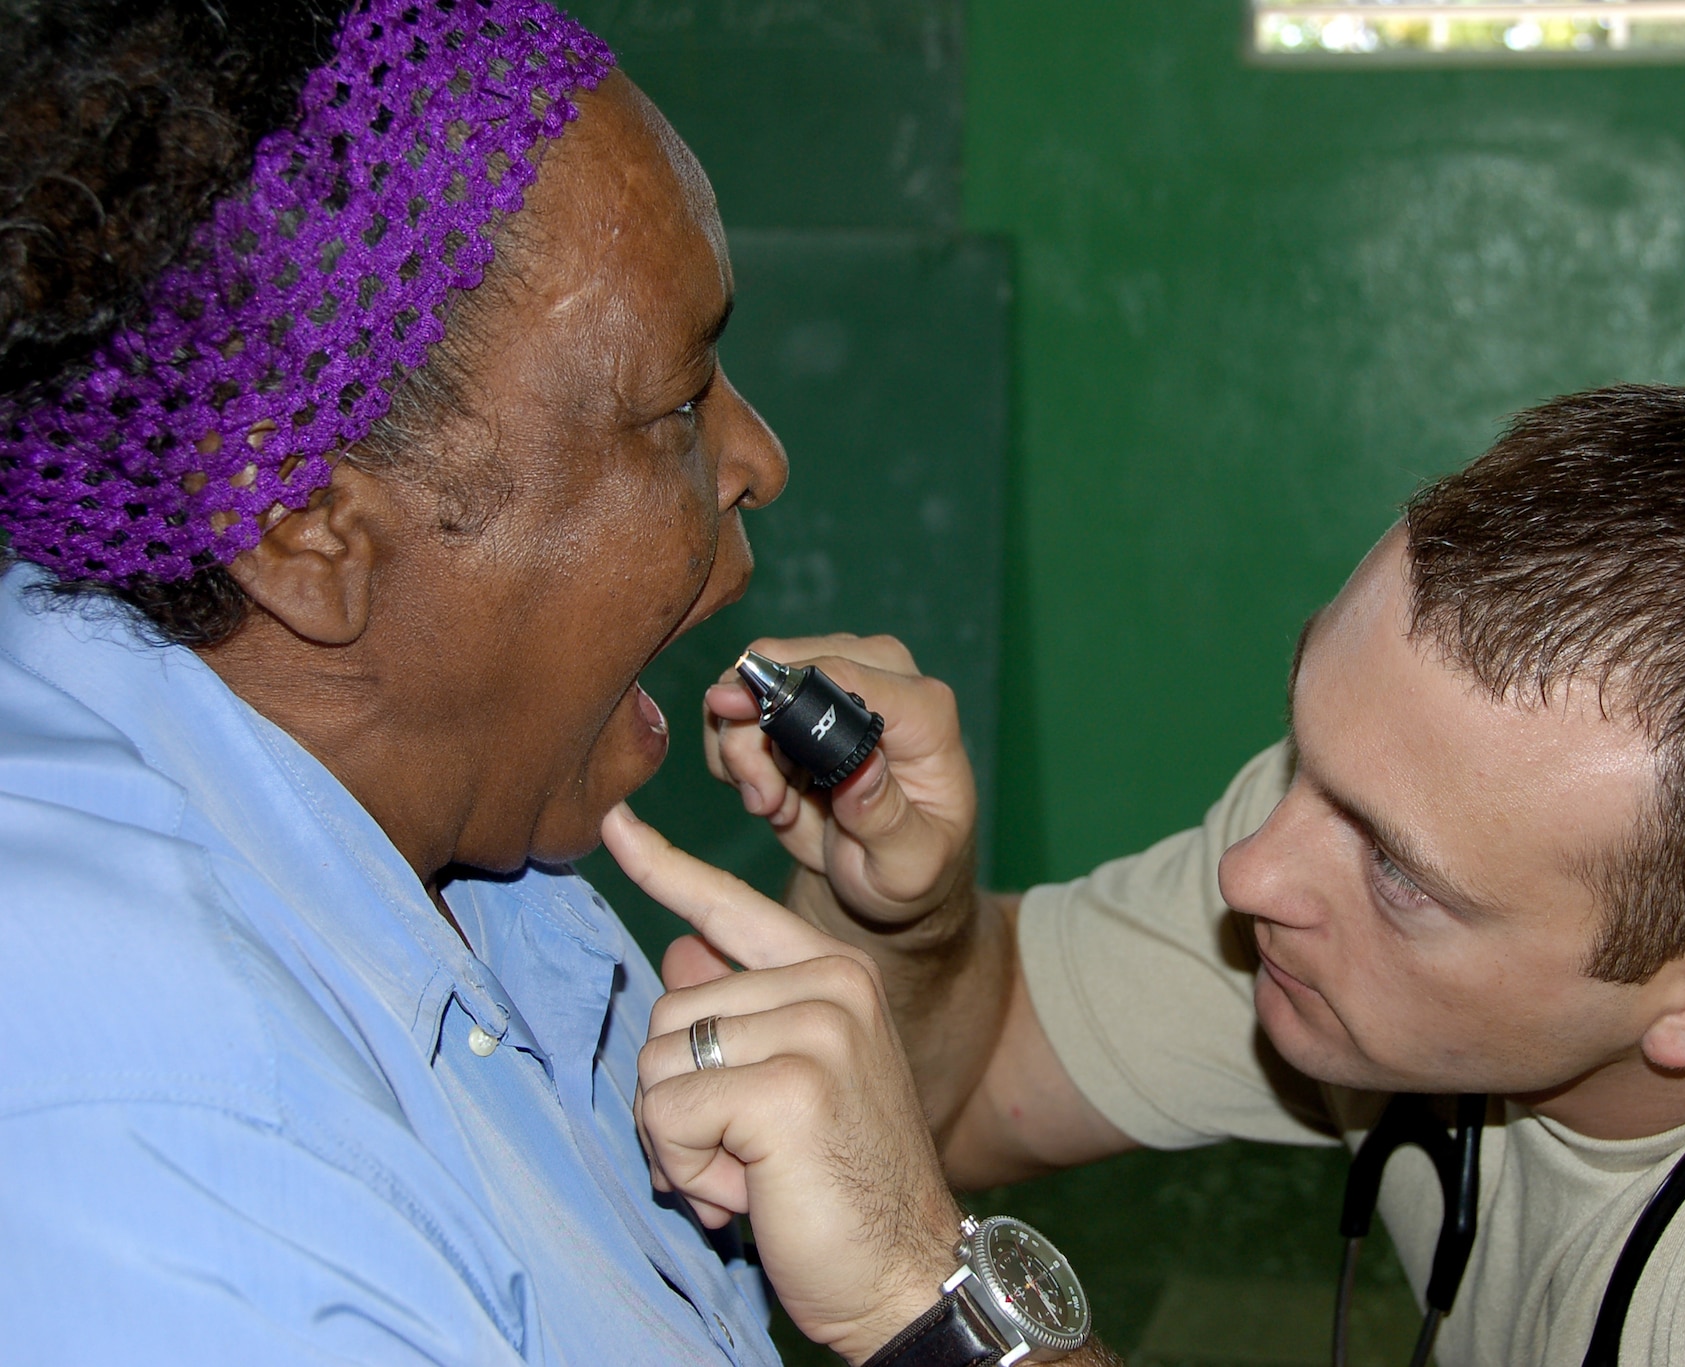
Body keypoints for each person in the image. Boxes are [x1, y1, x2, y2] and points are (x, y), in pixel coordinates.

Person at [0, 2, 1018, 1362]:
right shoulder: (186, 1168)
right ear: (305, 528)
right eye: (675, 405)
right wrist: (932, 1318)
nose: (758, 457)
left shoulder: (445, 834)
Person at [660, 383, 1685, 1365]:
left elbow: (913, 1207)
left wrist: (933, 1314)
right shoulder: (1352, 843)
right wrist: (904, 912)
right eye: (1306, 746)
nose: (1253, 869)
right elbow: (979, 1075)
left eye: (1403, 875)